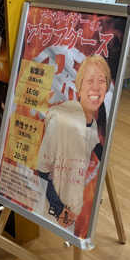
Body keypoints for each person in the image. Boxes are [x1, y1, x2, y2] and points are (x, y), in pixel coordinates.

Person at [35, 54, 110, 237]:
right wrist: (59, 208)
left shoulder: (92, 123)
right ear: (79, 86)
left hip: (73, 205)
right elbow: (42, 171)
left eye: (102, 81)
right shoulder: (61, 120)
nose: (96, 87)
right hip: (55, 208)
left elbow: (93, 144)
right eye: (90, 80)